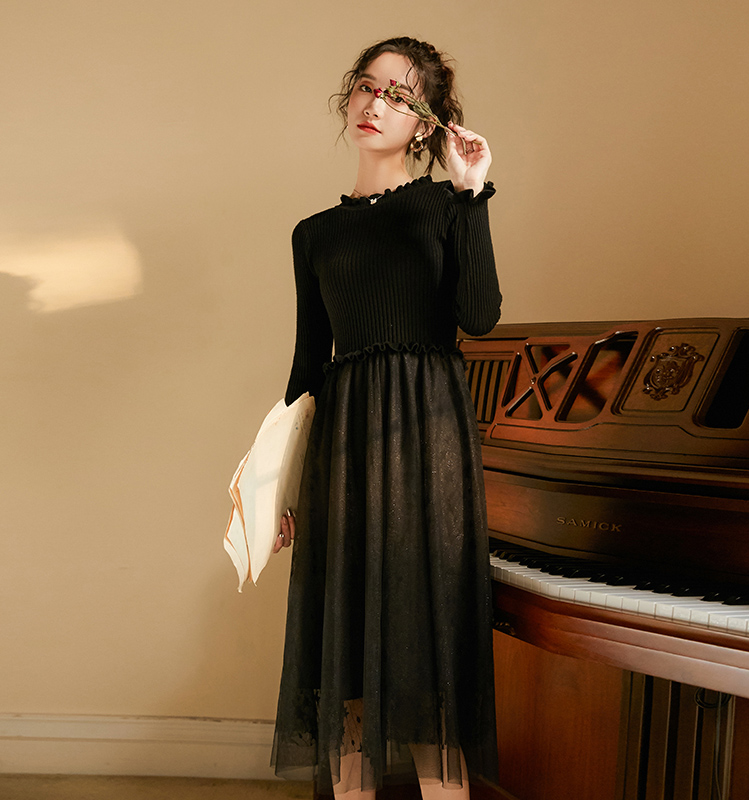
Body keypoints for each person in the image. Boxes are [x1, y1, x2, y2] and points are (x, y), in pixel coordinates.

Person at [270, 36, 502, 800]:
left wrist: (472, 193)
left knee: (428, 653)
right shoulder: (314, 235)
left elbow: (480, 316)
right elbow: (308, 365)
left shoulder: (444, 205)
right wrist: (282, 486)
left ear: (425, 123)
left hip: (429, 440)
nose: (376, 103)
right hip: (344, 447)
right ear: (350, 97)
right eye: (368, 87)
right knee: (347, 656)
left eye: (400, 95)